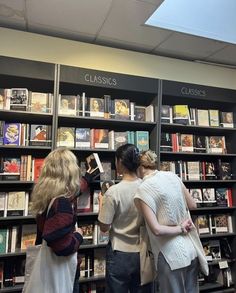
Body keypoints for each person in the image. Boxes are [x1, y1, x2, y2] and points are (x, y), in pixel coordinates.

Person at [134, 150, 208, 293]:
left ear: (140, 167)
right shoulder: (173, 176)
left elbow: (156, 229)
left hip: (170, 256)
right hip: (191, 250)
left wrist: (180, 228)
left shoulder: (143, 189)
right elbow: (193, 205)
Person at [30, 147, 92, 293]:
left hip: (46, 270)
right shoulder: (62, 203)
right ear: (70, 172)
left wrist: (88, 178)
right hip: (60, 273)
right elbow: (63, 247)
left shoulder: (45, 196)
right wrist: (79, 235)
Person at [98, 144, 151, 293]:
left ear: (120, 162)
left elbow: (104, 227)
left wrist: (102, 203)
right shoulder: (147, 187)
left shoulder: (113, 192)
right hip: (143, 251)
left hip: (119, 253)